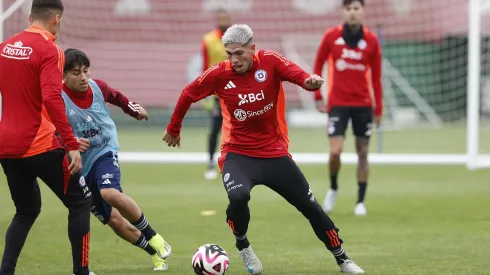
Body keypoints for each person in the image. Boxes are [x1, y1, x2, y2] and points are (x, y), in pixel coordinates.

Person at [163, 24, 365, 274]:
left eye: (239, 53)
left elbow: (295, 73)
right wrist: (174, 129)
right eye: (229, 54)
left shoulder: (269, 61)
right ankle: (242, 243)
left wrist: (308, 82)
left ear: (252, 49)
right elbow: (187, 94)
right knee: (238, 197)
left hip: (275, 154)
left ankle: (343, 258)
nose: (234, 60)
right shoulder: (218, 74)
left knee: (310, 206)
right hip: (237, 153)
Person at [0, 1, 94, 275]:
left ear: (30, 17)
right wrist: (71, 144)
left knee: (26, 210)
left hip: (7, 147)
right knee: (80, 201)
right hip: (39, 143)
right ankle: (82, 271)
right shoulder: (50, 50)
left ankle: (6, 271)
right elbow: (52, 98)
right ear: (56, 19)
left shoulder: (4, 48)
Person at [61, 49, 172, 271]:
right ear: (62, 75)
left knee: (109, 192)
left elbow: (116, 96)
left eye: (85, 71)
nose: (83, 77)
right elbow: (51, 130)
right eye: (76, 73)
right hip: (81, 166)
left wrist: (134, 110)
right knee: (113, 220)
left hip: (105, 150)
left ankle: (153, 236)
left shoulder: (97, 87)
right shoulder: (57, 98)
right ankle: (155, 253)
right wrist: (70, 141)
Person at [313, 0, 383, 216]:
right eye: (349, 9)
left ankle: (360, 202)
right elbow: (318, 64)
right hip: (338, 104)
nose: (352, 13)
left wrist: (378, 108)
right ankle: (333, 187)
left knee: (363, 152)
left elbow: (377, 79)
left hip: (362, 105)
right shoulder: (331, 36)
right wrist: (317, 94)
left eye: (356, 8)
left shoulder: (371, 41)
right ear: (343, 12)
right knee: (336, 151)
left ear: (363, 11)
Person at [201, 9, 231, 180]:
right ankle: (211, 162)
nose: (224, 21)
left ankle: (234, 162)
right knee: (214, 129)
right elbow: (205, 66)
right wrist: (206, 94)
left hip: (234, 91)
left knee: (236, 129)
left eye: (226, 18)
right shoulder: (209, 39)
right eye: (222, 19)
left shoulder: (236, 38)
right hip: (217, 93)